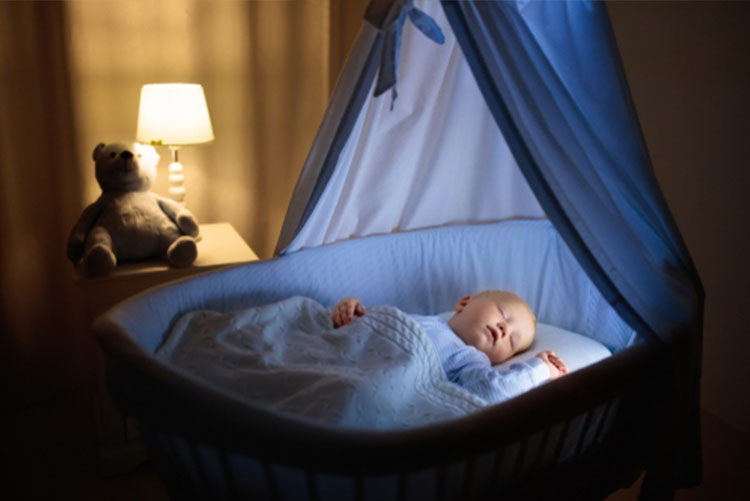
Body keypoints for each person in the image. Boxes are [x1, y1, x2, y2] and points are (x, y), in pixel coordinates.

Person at [332, 290, 568, 404]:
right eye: (503, 314)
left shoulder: (471, 359)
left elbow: (494, 390)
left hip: (380, 385)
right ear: (465, 303)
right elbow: (374, 324)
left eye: (512, 341)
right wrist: (353, 310)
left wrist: (540, 369)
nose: (505, 329)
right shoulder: (421, 319)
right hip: (350, 357)